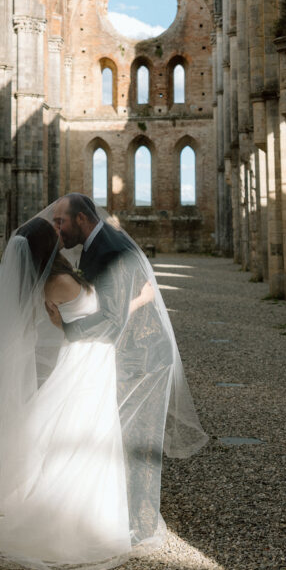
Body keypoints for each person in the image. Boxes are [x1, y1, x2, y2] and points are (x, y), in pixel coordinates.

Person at [0, 199, 207, 570]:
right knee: (86, 433)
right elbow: (104, 319)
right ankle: (93, 511)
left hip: (88, 361)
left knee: (74, 433)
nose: (60, 230)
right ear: (48, 248)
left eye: (61, 223)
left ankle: (107, 506)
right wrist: (141, 297)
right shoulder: (60, 281)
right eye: (56, 230)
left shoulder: (54, 277)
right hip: (88, 362)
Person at [47, 194, 206, 544]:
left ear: (83, 220)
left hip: (143, 358)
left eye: (61, 222)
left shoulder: (109, 249)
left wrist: (69, 329)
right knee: (122, 435)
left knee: (139, 441)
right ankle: (127, 512)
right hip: (130, 355)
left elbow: (113, 318)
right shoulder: (98, 242)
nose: (57, 229)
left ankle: (144, 526)